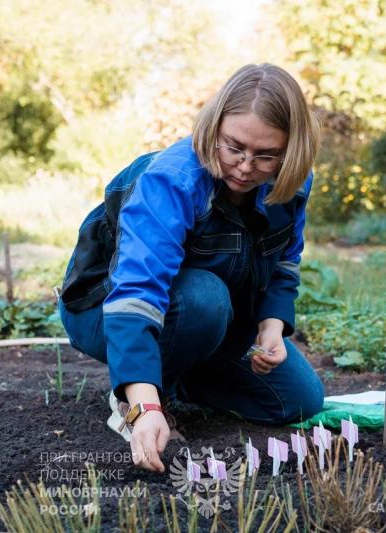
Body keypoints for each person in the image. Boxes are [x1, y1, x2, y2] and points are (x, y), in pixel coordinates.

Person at [58, 63, 325, 473]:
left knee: (299, 400)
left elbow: (285, 260)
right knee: (206, 297)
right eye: (233, 146)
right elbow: (135, 294)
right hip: (106, 309)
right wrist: (145, 406)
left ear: (291, 151)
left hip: (202, 317)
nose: (245, 166)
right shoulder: (174, 180)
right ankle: (135, 396)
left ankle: (170, 378)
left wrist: (272, 324)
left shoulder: (291, 182)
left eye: (266, 155)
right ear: (214, 126)